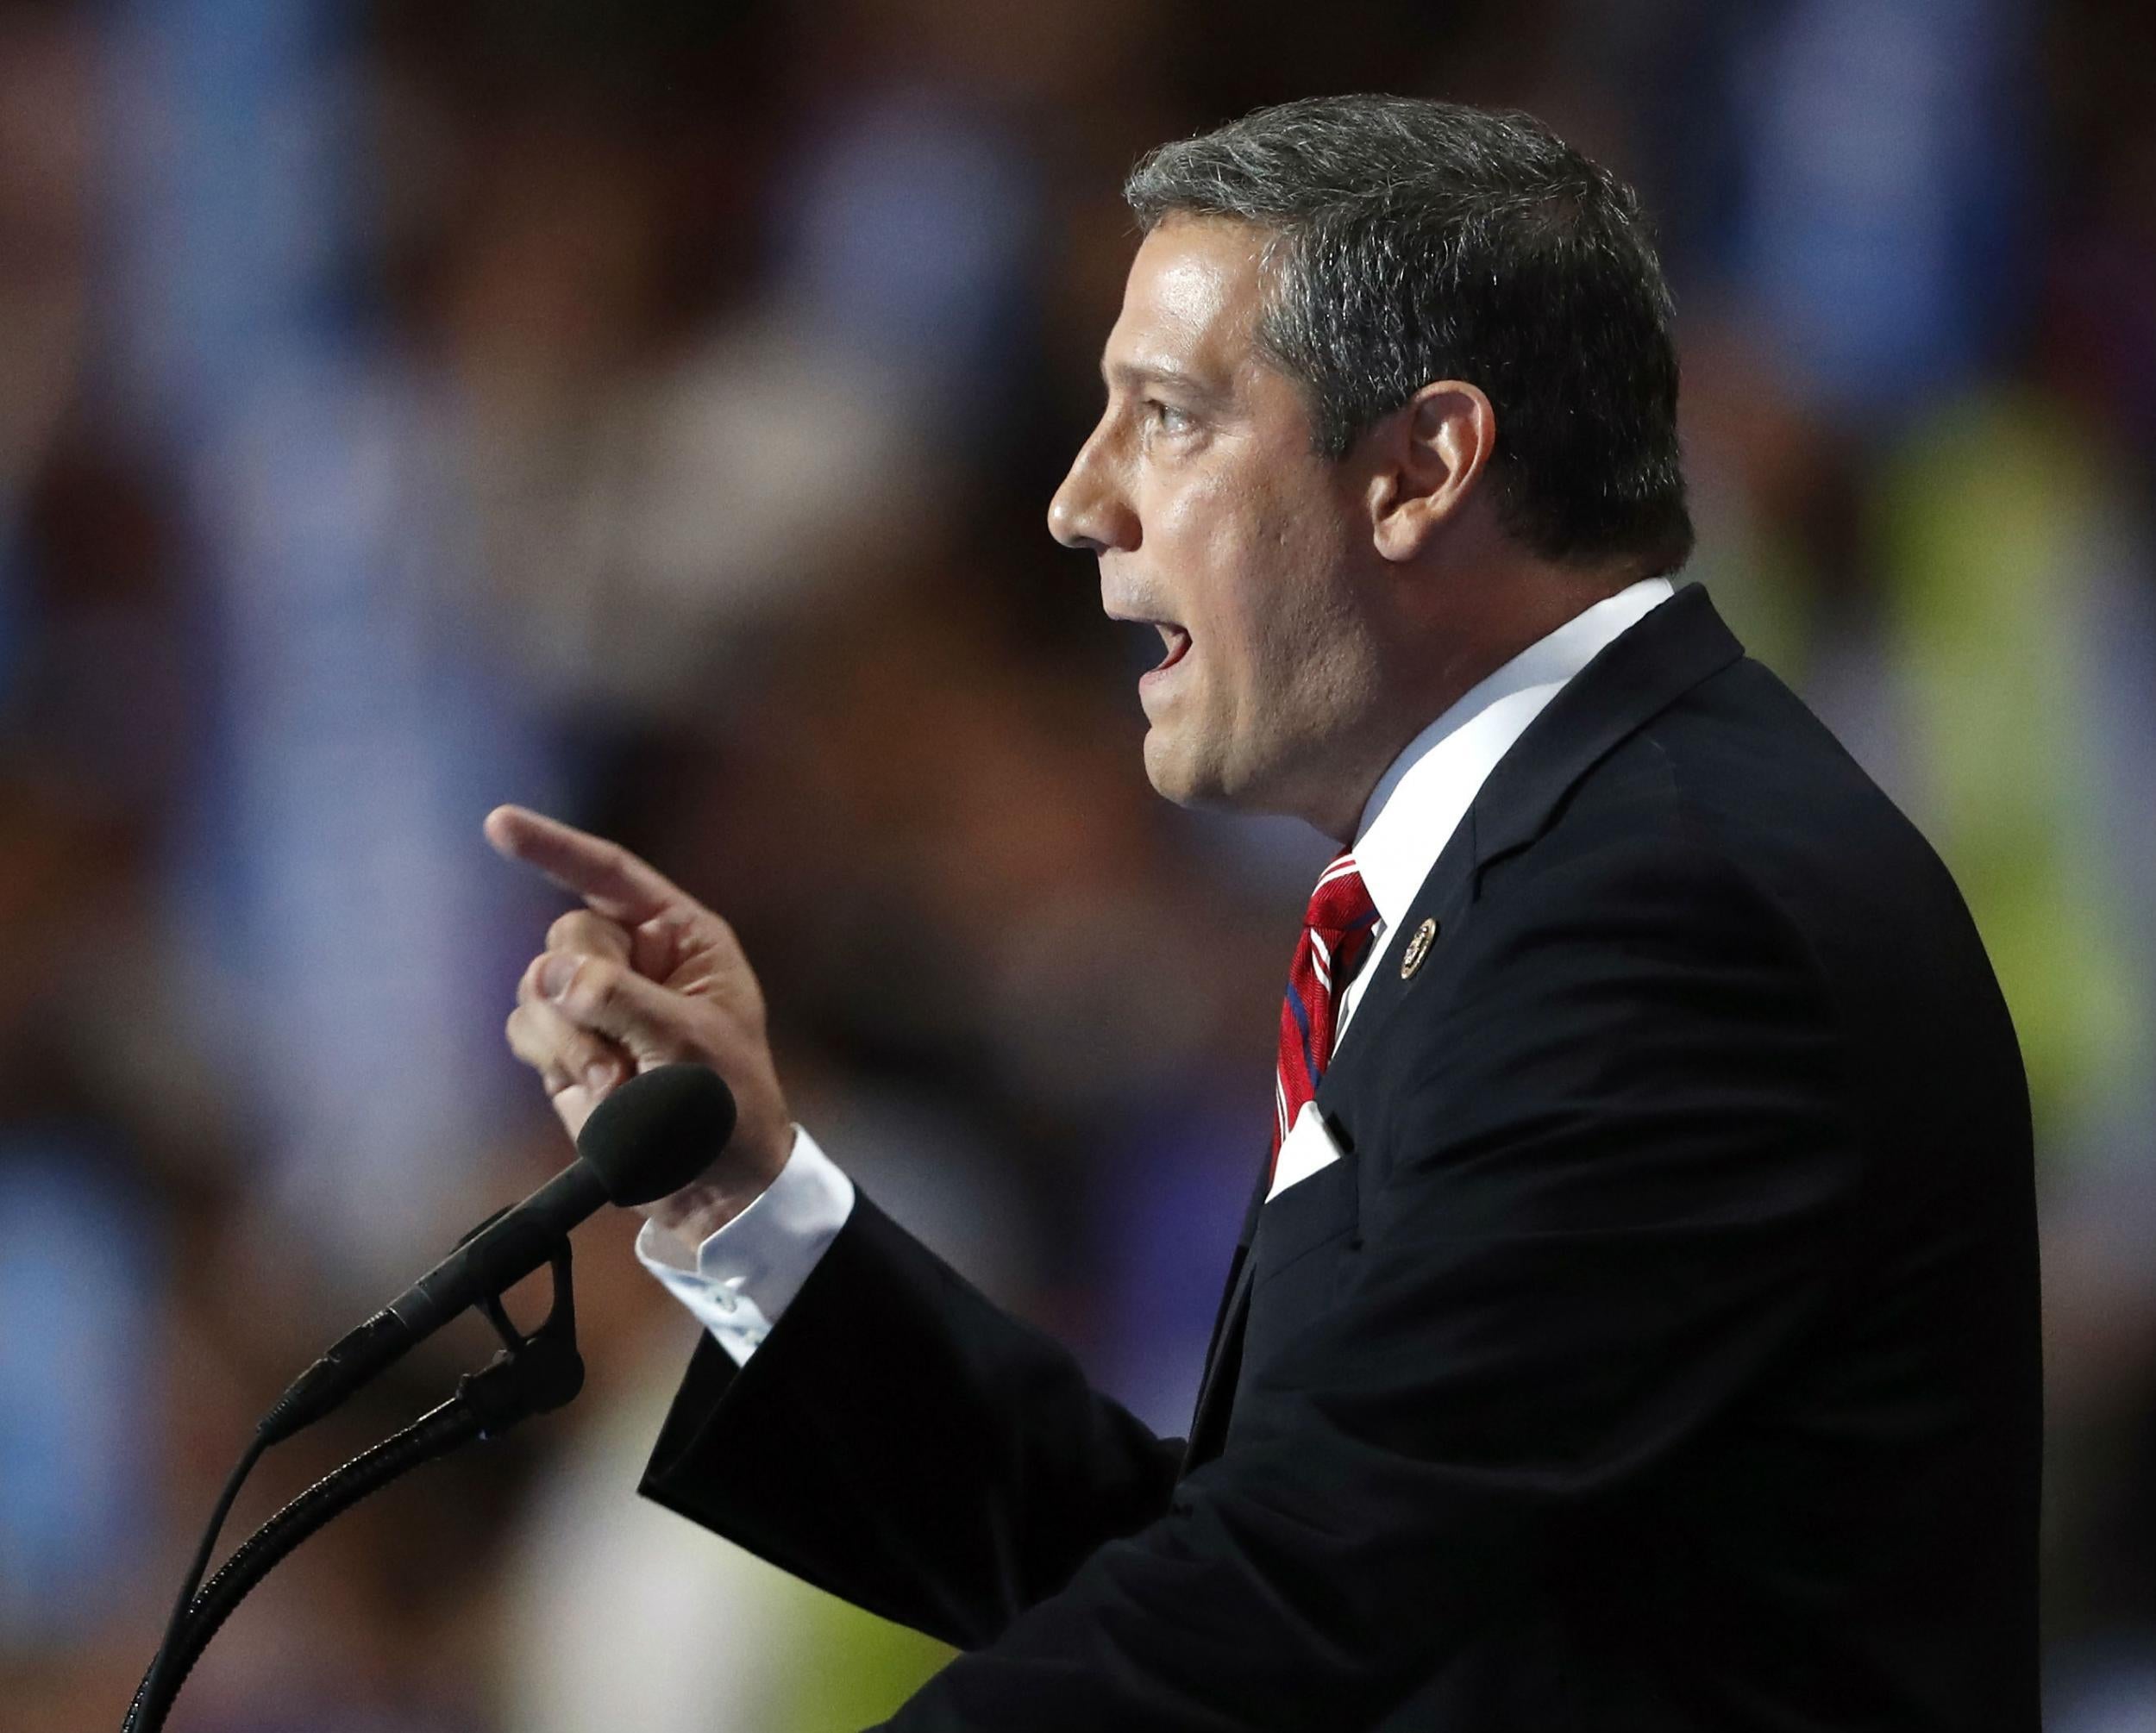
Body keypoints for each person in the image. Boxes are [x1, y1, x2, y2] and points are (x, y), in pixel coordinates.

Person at [489, 96, 2040, 1730]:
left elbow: (1293, 1600)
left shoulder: (1662, 908)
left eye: (1165, 415)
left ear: (1421, 468)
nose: (1081, 501)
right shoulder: (1549, 866)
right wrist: (749, 1198)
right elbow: (1228, 1554)